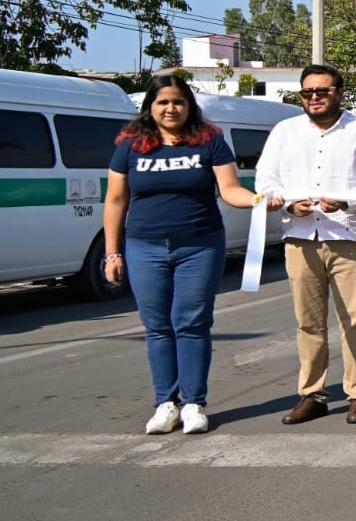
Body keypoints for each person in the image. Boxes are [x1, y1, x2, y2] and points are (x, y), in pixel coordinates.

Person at [102, 75, 260, 435]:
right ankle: (165, 403)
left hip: (199, 246)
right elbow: (115, 201)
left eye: (178, 102)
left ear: (189, 106)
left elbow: (231, 190)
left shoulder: (210, 142)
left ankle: (193, 403)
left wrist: (260, 201)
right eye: (162, 102)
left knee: (191, 324)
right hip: (144, 246)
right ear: (150, 107)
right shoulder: (130, 147)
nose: (170, 108)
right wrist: (112, 254)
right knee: (157, 327)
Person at [255, 65, 356, 426]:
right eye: (308, 92)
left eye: (323, 91)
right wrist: (285, 202)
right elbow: (266, 179)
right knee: (308, 323)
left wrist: (345, 200)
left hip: (349, 235)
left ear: (339, 92)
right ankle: (312, 394)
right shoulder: (285, 131)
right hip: (300, 236)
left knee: (354, 321)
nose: (314, 97)